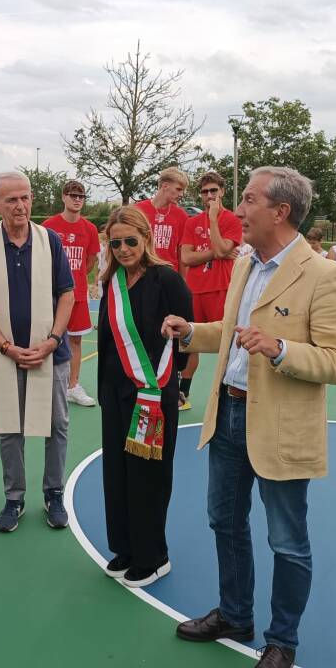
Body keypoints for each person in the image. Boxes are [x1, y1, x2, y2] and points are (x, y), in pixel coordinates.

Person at [161, 166, 336, 668]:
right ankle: (234, 614)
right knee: (224, 523)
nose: (238, 210)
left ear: (280, 211)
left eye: (247, 200)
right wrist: (190, 332)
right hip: (227, 412)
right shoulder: (247, 264)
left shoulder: (325, 275)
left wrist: (280, 349)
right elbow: (230, 332)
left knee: (287, 542)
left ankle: (282, 641)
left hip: (280, 426)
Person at [0, 171, 75, 533]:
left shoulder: (49, 240)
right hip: (7, 352)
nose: (21, 205)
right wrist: (6, 346)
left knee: (56, 425)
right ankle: (14, 497)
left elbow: (67, 294)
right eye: (11, 199)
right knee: (11, 427)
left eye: (25, 197)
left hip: (50, 353)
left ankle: (53, 492)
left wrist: (53, 340)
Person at [99, 206, 192, 587]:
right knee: (118, 474)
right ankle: (126, 546)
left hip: (151, 396)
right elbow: (106, 341)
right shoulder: (112, 280)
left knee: (148, 476)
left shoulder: (166, 280)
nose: (123, 249)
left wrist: (168, 387)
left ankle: (154, 556)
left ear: (147, 238)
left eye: (130, 241)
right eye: (115, 243)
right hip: (115, 393)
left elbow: (186, 338)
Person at [178, 171, 241, 411]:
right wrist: (216, 252)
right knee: (190, 342)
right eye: (205, 192)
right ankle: (183, 393)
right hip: (195, 290)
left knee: (227, 343)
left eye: (214, 190)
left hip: (222, 289)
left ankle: (228, 392)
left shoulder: (231, 220)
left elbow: (225, 247)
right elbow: (186, 257)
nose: (210, 195)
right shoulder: (192, 222)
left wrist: (213, 220)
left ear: (222, 191)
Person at [43, 180, 100, 407]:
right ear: (63, 197)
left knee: (75, 341)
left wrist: (73, 279)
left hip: (77, 296)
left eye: (81, 196)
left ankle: (72, 386)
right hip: (51, 297)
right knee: (48, 339)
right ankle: (46, 384)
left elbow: (90, 262)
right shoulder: (48, 227)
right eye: (72, 195)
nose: (77, 199)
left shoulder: (90, 229)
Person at [135, 166, 189, 272]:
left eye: (182, 191)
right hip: (142, 272)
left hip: (169, 274)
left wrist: (182, 281)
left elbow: (181, 251)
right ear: (165, 186)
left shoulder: (181, 215)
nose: (181, 194)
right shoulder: (138, 210)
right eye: (178, 189)